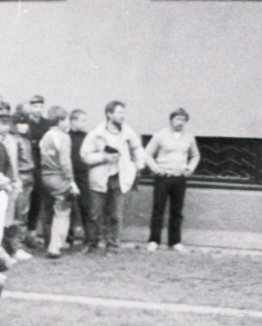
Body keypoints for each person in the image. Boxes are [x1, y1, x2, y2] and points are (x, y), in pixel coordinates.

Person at [82, 100, 148, 252]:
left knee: (116, 215)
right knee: (94, 213)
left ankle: (113, 245)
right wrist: (104, 157)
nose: (122, 116)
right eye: (119, 113)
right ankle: (92, 244)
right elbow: (85, 156)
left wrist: (139, 164)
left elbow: (138, 149)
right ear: (109, 114)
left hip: (119, 178)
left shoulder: (128, 133)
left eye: (123, 113)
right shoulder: (96, 134)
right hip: (99, 178)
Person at [146, 108, 201, 251]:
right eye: (177, 119)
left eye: (183, 120)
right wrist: (156, 169)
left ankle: (175, 241)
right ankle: (154, 240)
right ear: (171, 120)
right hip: (163, 177)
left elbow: (195, 155)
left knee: (177, 211)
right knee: (158, 209)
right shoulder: (160, 135)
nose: (180, 122)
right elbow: (147, 154)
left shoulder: (189, 137)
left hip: (179, 178)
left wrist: (189, 169)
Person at [37, 114, 80, 258]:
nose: (68, 123)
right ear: (60, 121)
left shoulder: (46, 136)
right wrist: (71, 181)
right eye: (66, 120)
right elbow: (65, 162)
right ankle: (55, 247)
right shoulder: (63, 137)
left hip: (45, 176)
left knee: (48, 212)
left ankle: (48, 242)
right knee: (63, 211)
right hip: (59, 177)